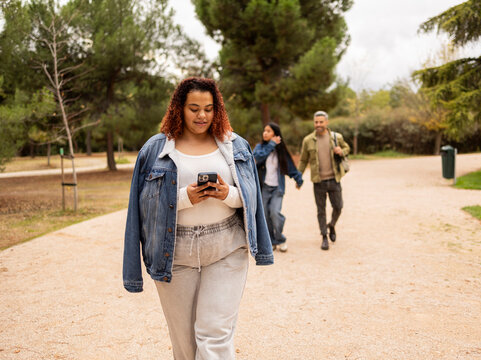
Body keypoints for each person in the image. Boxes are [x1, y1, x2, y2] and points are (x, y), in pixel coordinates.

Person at [122, 77, 273, 360]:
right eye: (194, 108)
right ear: (179, 108)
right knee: (185, 346)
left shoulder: (235, 145)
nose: (202, 115)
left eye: (208, 108)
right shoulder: (154, 150)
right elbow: (142, 210)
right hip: (174, 254)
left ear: (217, 109)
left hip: (226, 248)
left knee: (214, 337)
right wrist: (183, 198)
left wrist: (227, 193)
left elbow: (252, 201)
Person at [298, 110, 350, 251]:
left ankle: (331, 225)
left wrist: (342, 151)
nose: (318, 124)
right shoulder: (308, 140)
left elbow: (347, 147)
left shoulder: (336, 137)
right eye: (316, 122)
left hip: (334, 179)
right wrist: (298, 177)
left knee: (338, 206)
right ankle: (324, 237)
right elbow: (303, 160)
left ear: (326, 122)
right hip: (318, 181)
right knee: (321, 210)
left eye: (321, 122)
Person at [253, 123, 303, 252]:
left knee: (275, 213)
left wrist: (298, 179)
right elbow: (257, 158)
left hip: (277, 189)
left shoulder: (281, 152)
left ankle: (280, 239)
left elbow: (291, 167)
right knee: (265, 215)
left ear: (275, 134)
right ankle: (271, 240)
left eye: (268, 131)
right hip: (264, 188)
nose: (265, 133)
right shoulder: (260, 148)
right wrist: (271, 145)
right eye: (264, 130)